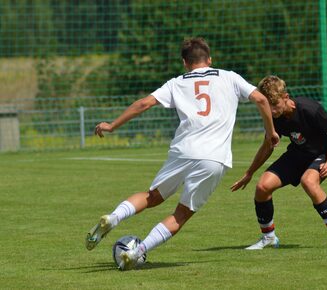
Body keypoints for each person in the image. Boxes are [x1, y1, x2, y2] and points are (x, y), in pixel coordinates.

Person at [85, 37, 280, 270]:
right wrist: (270, 132)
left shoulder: (176, 83)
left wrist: (112, 125)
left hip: (183, 150)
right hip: (213, 157)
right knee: (181, 214)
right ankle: (138, 251)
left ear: (185, 63)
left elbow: (143, 104)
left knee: (152, 197)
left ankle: (114, 217)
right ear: (209, 59)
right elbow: (260, 98)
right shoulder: (229, 77)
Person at [231, 75, 327, 249]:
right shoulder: (272, 117)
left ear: (286, 97)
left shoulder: (309, 109)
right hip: (298, 154)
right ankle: (269, 237)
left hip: (322, 154)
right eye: (268, 106)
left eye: (275, 105)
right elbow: (268, 146)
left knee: (308, 181)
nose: (272, 111)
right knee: (262, 187)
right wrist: (249, 173)